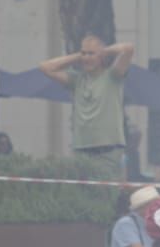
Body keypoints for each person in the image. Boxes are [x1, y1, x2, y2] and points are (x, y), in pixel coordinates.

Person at [37, 34, 135, 177]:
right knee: (83, 195)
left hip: (108, 152)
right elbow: (45, 67)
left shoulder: (113, 76)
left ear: (101, 56)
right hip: (81, 151)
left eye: (91, 54)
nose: (87, 58)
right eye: (84, 53)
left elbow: (129, 49)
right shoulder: (76, 80)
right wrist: (78, 56)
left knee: (106, 195)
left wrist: (104, 51)